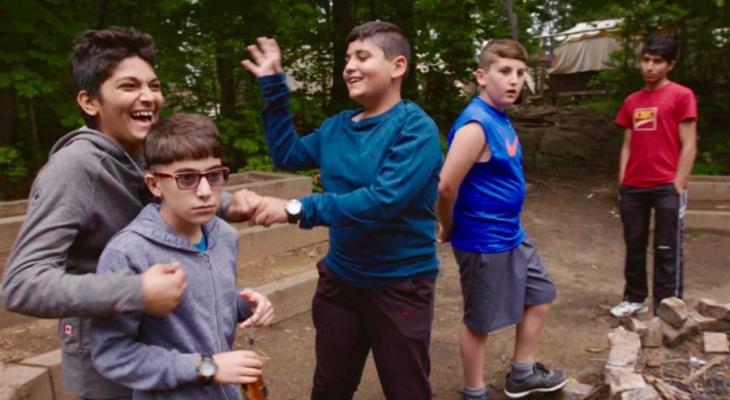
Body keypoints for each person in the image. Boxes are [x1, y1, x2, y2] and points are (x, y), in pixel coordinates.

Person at [1, 27, 259, 400]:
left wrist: (227, 202)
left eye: (154, 86)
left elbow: (161, 187)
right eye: (129, 86)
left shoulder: (140, 147)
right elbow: (22, 285)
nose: (148, 97)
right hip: (111, 366)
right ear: (90, 102)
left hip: (163, 344)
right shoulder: (73, 169)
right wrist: (135, 290)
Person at [241, 20, 442, 400]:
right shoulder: (337, 127)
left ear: (397, 66)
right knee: (330, 388)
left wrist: (295, 208)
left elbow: (382, 202)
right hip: (341, 283)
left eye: (362, 56)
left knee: (406, 391)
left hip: (399, 286)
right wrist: (273, 86)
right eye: (347, 58)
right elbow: (288, 154)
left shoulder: (415, 129)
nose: (348, 66)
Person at [90, 113, 273, 400]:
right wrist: (207, 367)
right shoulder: (127, 254)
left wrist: (243, 304)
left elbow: (205, 304)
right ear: (154, 184)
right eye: (186, 178)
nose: (204, 192)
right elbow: (112, 353)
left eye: (214, 175)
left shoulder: (224, 236)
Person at [437, 39, 566, 400]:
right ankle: (473, 392)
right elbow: (446, 186)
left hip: (512, 233)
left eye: (520, 73)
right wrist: (448, 227)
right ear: (482, 76)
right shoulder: (475, 125)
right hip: (483, 241)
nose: (514, 80)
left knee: (540, 296)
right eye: (504, 71)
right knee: (479, 322)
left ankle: (522, 374)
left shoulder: (501, 118)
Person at [610, 36, 697, 318]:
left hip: (666, 186)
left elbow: (689, 144)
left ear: (670, 64)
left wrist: (678, 185)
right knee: (634, 244)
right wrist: (623, 181)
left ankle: (667, 305)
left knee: (666, 247)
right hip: (634, 186)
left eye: (657, 61)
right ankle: (634, 298)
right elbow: (627, 144)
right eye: (645, 60)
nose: (649, 67)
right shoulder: (632, 101)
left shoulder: (682, 96)